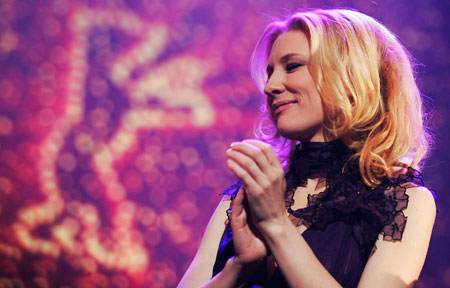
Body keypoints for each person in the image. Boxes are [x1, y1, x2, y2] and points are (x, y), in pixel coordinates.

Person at [178, 8, 436, 288]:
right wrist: (240, 267)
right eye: (270, 72)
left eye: (292, 66)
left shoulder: (403, 202)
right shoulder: (246, 195)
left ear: (351, 77)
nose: (270, 86)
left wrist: (277, 225)